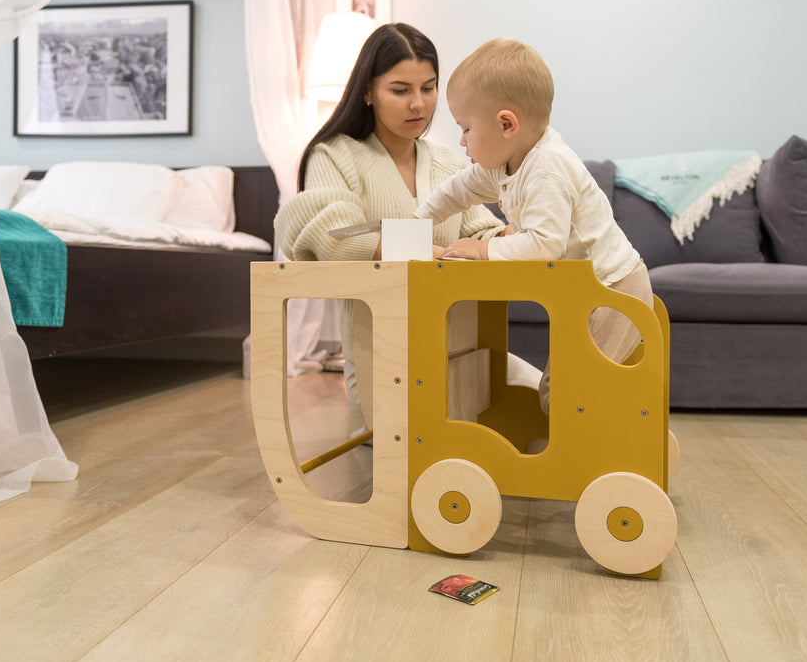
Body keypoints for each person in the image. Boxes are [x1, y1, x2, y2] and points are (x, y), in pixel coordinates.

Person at [274, 23, 510, 433]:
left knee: (530, 410)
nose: (418, 104)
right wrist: (431, 252)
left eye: (429, 87)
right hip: (379, 359)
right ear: (367, 91)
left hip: (459, 348)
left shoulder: (450, 162)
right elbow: (337, 238)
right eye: (400, 90)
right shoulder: (333, 155)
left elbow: (478, 230)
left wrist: (507, 239)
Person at [413, 38, 653, 422]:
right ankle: (575, 446)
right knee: (557, 387)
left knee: (575, 390)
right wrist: (418, 220)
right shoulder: (504, 163)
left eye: (466, 129)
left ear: (507, 124)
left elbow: (544, 246)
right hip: (586, 292)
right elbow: (458, 190)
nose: (462, 142)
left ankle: (592, 455)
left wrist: (483, 249)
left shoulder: (547, 168)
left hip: (613, 292)